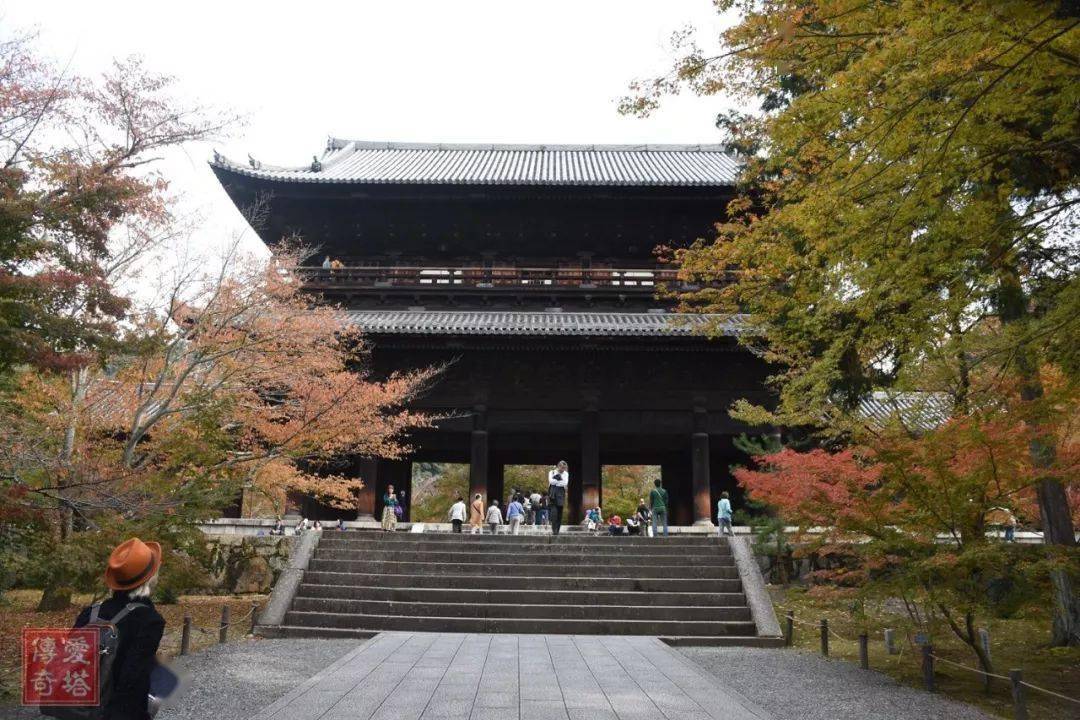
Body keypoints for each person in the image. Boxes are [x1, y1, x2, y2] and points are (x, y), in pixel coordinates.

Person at [71, 538, 166, 720]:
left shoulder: (91, 612)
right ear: (150, 578)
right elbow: (132, 681)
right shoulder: (150, 621)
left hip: (78, 708)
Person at [548, 461, 569, 536]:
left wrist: (556, 481)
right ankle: (554, 530)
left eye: (564, 468)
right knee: (554, 513)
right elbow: (551, 481)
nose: (563, 469)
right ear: (558, 466)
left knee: (560, 513)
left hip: (561, 494)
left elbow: (565, 483)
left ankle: (558, 529)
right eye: (562, 468)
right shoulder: (552, 472)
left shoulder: (566, 474)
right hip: (553, 494)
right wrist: (559, 481)